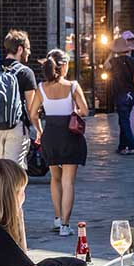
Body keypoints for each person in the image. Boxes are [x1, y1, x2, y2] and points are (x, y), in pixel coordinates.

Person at [30, 49, 88, 237]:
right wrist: (74, 112)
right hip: (69, 134)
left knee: (55, 178)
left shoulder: (41, 88)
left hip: (50, 134)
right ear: (63, 66)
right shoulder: (72, 86)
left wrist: (39, 131)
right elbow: (84, 110)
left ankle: (57, 218)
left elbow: (32, 114)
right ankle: (65, 224)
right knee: (68, 181)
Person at [0, 29, 36, 168]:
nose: (29, 52)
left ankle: (1, 191)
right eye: (28, 49)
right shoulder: (26, 73)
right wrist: (39, 129)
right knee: (14, 170)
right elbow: (31, 109)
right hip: (16, 126)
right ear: (20, 49)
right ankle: (13, 191)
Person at [106, 37, 134, 155]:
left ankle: (131, 146)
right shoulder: (133, 61)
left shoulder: (114, 61)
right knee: (123, 120)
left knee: (124, 121)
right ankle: (122, 146)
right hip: (132, 94)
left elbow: (105, 65)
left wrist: (111, 53)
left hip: (121, 94)